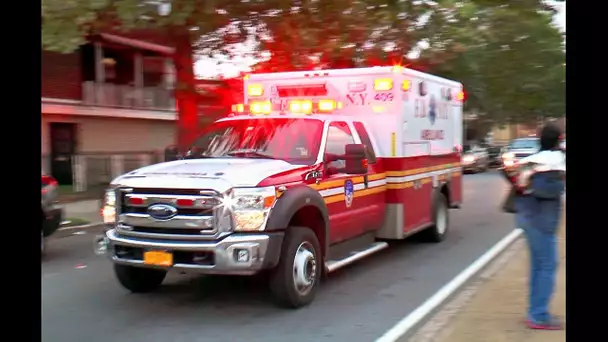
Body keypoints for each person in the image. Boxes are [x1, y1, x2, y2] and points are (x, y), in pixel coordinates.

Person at [507, 123, 566, 330]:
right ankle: (538, 315)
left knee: (538, 266)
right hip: (540, 221)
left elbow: (518, 181)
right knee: (548, 266)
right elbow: (545, 190)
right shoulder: (553, 163)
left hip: (528, 218)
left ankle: (535, 311)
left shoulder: (533, 161)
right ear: (559, 140)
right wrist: (559, 182)